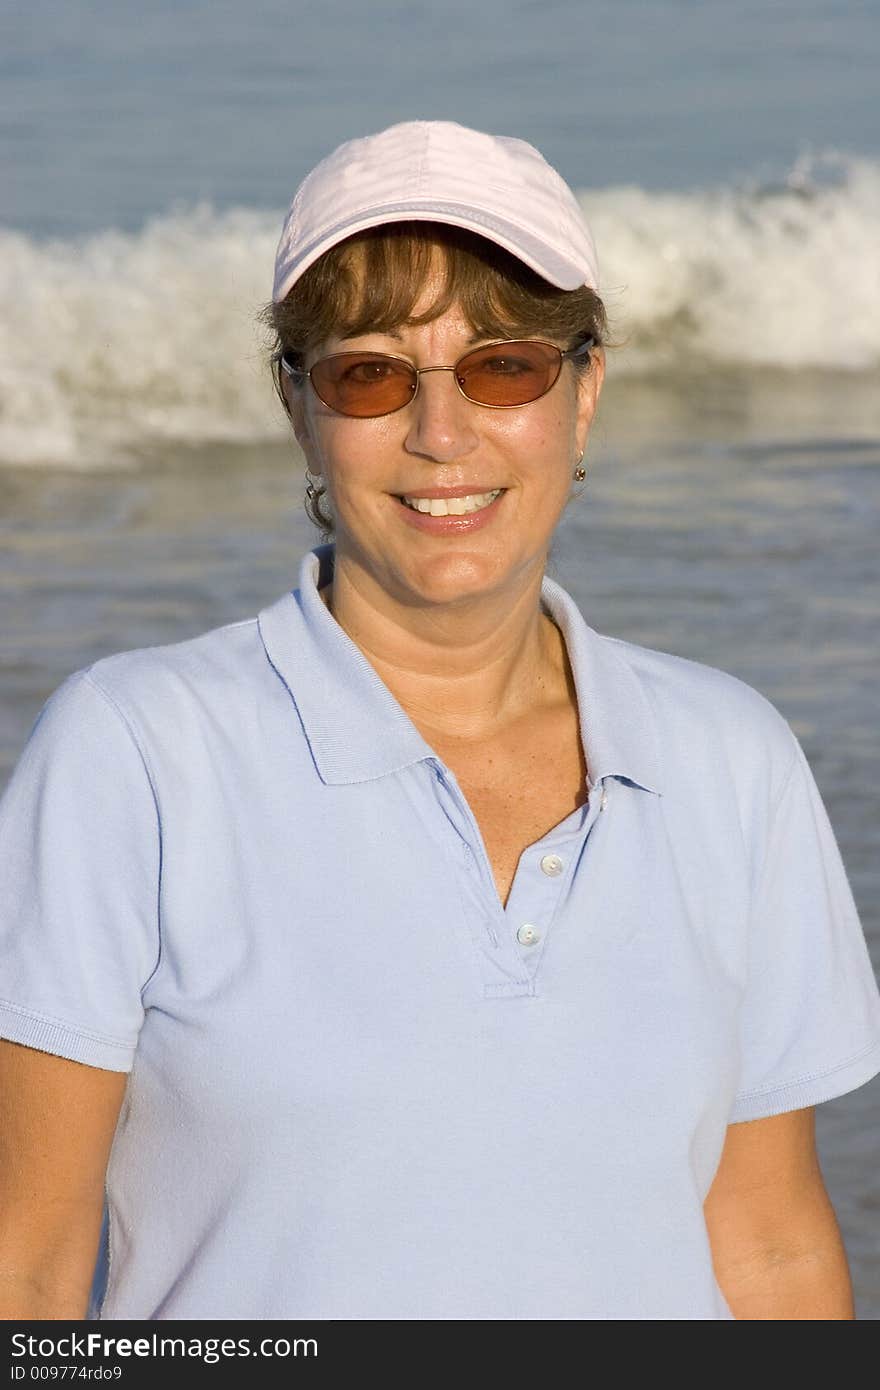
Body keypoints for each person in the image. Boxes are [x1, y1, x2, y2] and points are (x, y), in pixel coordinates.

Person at [1, 120, 879, 1323]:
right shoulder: (135, 753)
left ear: (585, 391)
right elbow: (26, 1266)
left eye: (503, 365)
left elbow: (772, 1249)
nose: (441, 431)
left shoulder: (731, 759)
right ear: (300, 411)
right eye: (369, 373)